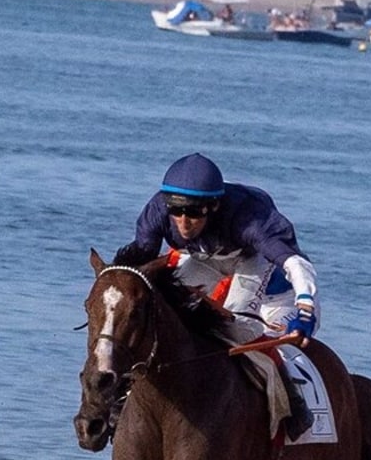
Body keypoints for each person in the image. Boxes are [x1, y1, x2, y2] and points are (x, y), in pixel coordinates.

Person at [112, 152, 320, 438]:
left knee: (234, 328)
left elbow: (296, 264)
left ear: (214, 206)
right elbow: (140, 269)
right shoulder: (158, 210)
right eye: (177, 209)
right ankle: (124, 393)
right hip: (210, 261)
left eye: (195, 212)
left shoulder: (249, 218)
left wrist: (305, 308)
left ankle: (293, 401)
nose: (184, 221)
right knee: (161, 304)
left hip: (266, 278)